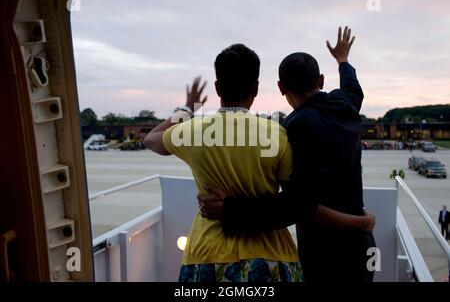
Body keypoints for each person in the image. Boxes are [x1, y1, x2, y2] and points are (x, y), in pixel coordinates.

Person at [144, 43, 374, 282]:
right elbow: (298, 202)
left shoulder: (191, 132)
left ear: (217, 87)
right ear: (255, 88)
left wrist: (188, 109)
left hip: (207, 256)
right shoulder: (278, 135)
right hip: (273, 258)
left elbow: (150, 140)